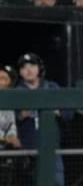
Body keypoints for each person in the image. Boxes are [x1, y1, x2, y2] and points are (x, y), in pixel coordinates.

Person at [15, 53, 73, 186]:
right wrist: (20, 116)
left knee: (56, 182)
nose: (28, 70)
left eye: (32, 65)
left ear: (39, 68)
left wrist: (58, 112)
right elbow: (7, 120)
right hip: (26, 151)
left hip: (51, 149)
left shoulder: (52, 87)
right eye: (24, 67)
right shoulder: (16, 91)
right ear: (20, 72)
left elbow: (69, 112)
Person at [0, 66, 20, 150]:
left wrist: (12, 136)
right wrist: (5, 139)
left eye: (3, 78)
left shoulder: (7, 102)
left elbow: (11, 125)